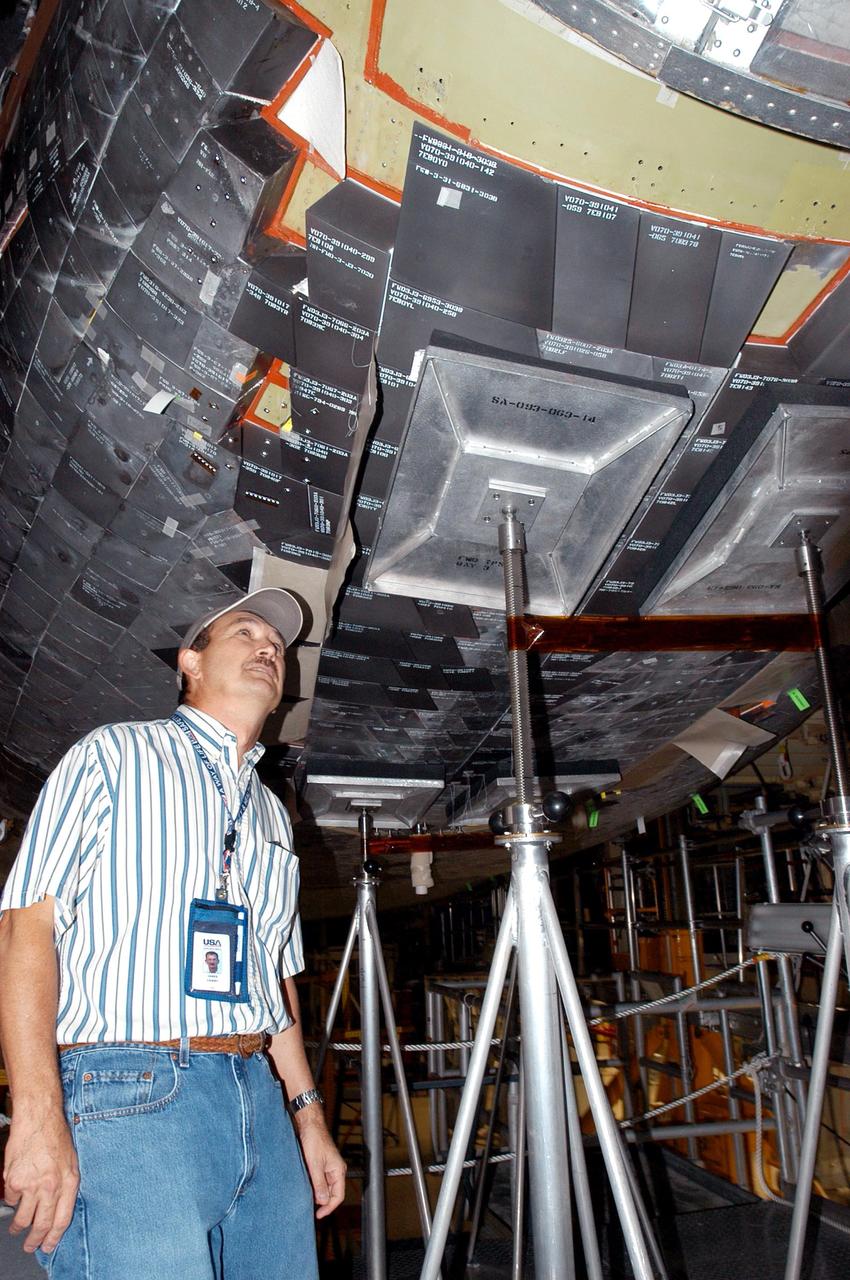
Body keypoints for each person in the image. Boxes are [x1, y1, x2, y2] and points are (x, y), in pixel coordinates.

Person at [0, 587, 346, 1278]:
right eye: (244, 633)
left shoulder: (274, 817)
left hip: (259, 1096)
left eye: (276, 645)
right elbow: (24, 928)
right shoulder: (112, 756)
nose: (268, 647)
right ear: (190, 661)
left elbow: (274, 980)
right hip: (131, 1092)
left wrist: (307, 1116)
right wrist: (36, 1112)